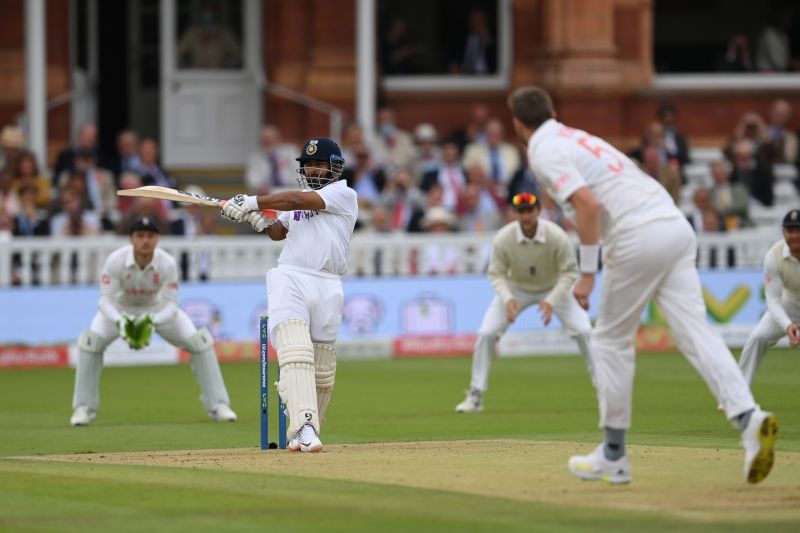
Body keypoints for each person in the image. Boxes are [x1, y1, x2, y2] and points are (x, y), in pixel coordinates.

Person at [507, 85, 778, 485]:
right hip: (673, 225)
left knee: (610, 342)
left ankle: (614, 455)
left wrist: (586, 274)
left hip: (638, 235)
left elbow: (588, 205)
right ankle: (749, 418)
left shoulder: (544, 149)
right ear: (550, 111)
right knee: (695, 332)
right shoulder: (577, 136)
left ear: (518, 124)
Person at [221, 137, 357, 453]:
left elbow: (295, 201)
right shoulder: (299, 199)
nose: (312, 169)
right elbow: (278, 232)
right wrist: (254, 218)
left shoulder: (342, 193)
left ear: (334, 168)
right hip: (291, 277)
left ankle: (303, 430)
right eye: (308, 164)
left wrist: (251, 201)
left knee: (322, 371)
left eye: (319, 164)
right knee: (296, 352)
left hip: (329, 283)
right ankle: (304, 427)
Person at [70, 216, 237, 426]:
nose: (145, 241)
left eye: (150, 236)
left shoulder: (167, 263)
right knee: (90, 343)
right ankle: (83, 408)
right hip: (120, 310)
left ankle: (218, 405)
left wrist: (152, 320)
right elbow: (104, 301)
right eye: (140, 236)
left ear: (157, 239)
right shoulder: (116, 260)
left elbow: (171, 306)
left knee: (200, 342)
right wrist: (121, 321)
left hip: (156, 310)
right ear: (131, 239)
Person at [454, 192, 595, 413]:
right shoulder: (504, 238)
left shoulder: (556, 236)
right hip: (516, 289)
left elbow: (569, 272)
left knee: (584, 330)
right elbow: (496, 273)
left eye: (530, 210)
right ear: (514, 213)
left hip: (554, 288)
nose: (526, 216)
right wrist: (508, 298)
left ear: (538, 211)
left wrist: (550, 301)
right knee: (486, 334)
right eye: (521, 211)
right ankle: (476, 396)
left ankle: (605, 391)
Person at [739, 210, 800, 385]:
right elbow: (773, 300)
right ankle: (739, 395)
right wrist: (788, 326)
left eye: (798, 230)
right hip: (791, 304)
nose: (794, 236)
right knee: (757, 338)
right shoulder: (774, 255)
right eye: (790, 231)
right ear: (783, 232)